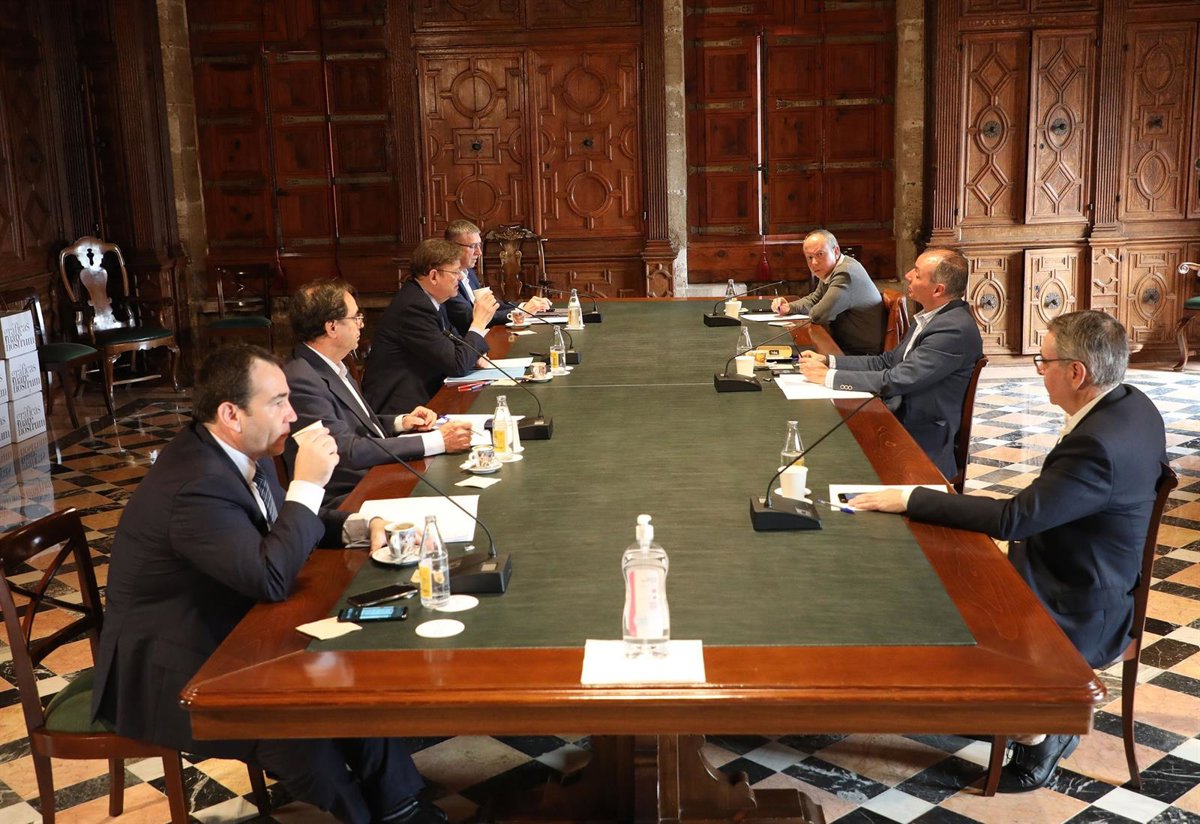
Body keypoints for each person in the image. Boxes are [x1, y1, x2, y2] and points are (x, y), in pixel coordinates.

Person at [91, 344, 446, 824]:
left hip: (237, 627)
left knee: (351, 683)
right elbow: (271, 576)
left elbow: (282, 524)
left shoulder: (234, 451)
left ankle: (402, 808)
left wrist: (362, 526)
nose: (292, 414)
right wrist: (308, 484)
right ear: (231, 414)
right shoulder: (194, 485)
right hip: (179, 667)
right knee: (304, 734)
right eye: (278, 402)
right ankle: (366, 813)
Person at [852, 310, 1167, 793]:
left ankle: (1039, 732)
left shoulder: (1098, 446)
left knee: (935, 592)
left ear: (1076, 372)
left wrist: (912, 498)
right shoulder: (1130, 404)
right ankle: (988, 708)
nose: (1039, 371)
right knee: (936, 573)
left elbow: (1014, 519)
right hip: (1077, 569)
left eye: (1044, 362)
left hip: (1076, 604)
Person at [797, 248, 983, 479]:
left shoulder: (953, 329)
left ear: (938, 289)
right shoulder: (933, 316)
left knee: (826, 443)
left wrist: (828, 377)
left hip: (919, 434)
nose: (907, 275)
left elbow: (898, 379)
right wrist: (830, 361)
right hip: (898, 414)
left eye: (917, 274)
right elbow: (887, 361)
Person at [284, 279, 474, 505]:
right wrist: (437, 440)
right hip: (350, 497)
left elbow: (356, 426)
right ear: (332, 327)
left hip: (376, 475)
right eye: (355, 317)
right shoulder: (301, 380)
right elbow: (345, 450)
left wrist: (401, 422)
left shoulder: (331, 364)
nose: (362, 324)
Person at [363, 238, 499, 415]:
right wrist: (479, 323)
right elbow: (457, 364)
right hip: (403, 408)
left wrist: (473, 355)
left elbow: (455, 344)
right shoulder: (413, 307)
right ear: (434, 276)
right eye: (456, 272)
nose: (460, 277)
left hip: (428, 393)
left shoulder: (430, 299)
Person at [770, 230, 884, 354]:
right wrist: (789, 307)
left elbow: (820, 315)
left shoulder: (845, 274)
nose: (814, 262)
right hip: (844, 347)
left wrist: (809, 313)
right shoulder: (831, 269)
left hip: (861, 355)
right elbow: (815, 299)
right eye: (809, 257)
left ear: (836, 251)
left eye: (820, 254)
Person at [443, 219, 551, 335]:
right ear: (453, 247)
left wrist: (523, 306)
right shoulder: (447, 279)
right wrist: (521, 312)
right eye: (473, 246)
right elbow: (471, 318)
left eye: (479, 246)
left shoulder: (469, 272)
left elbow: (491, 306)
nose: (479, 252)